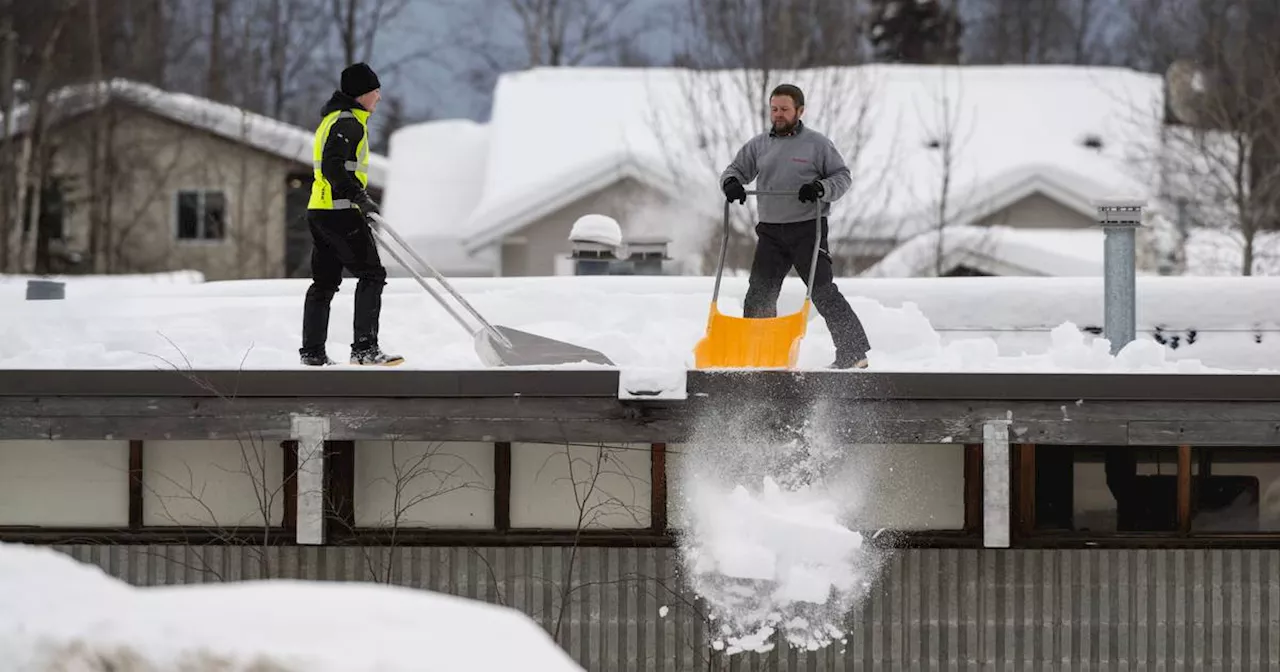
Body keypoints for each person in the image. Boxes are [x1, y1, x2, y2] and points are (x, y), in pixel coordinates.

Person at [720, 83, 872, 369]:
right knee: (759, 293)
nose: (778, 115)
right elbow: (735, 170)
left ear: (799, 111)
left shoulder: (818, 144)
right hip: (771, 232)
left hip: (807, 229)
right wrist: (731, 184)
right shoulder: (758, 145)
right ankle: (760, 356)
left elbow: (842, 177)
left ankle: (854, 354)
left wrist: (820, 188)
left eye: (784, 110)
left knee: (822, 290)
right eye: (774, 109)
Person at [299, 62, 402, 366]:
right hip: (340, 213)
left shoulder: (332, 120)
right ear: (361, 95)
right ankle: (365, 349)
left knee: (325, 282)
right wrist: (358, 196)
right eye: (375, 92)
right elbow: (333, 166)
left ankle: (313, 353)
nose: (379, 98)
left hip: (320, 211)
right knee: (372, 274)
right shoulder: (348, 123)